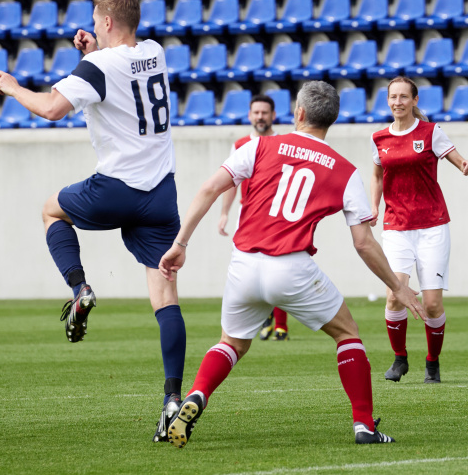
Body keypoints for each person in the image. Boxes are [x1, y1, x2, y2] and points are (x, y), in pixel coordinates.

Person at [158, 81, 426, 448]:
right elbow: (363, 242)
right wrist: (398, 287)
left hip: (244, 264)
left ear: (298, 112)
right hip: (292, 267)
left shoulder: (258, 144)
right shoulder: (345, 170)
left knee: (231, 343)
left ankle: (197, 395)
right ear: (331, 119)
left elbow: (208, 188)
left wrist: (180, 244)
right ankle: (364, 425)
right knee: (347, 334)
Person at [0, 0, 188, 441]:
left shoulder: (97, 66)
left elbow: (50, 109)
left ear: (103, 22)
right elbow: (120, 68)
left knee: (51, 211)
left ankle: (80, 287)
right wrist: (94, 51)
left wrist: (12, 87)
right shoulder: (154, 52)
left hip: (116, 187)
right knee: (166, 295)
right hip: (161, 192)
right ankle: (172, 398)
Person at [370, 76, 468, 384]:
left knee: (432, 304)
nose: (398, 102)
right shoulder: (379, 138)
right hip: (396, 227)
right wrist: (374, 207)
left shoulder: (431, 132)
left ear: (415, 101)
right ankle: (400, 359)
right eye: (393, 97)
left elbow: (459, 161)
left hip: (432, 226)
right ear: (388, 100)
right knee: (394, 295)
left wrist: (467, 166)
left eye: (404, 96)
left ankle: (432, 362)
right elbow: (377, 177)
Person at [217, 95, 289, 342]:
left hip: (277, 215)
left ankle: (281, 325)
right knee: (248, 267)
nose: (260, 117)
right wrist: (225, 213)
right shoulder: (239, 145)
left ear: (273, 115)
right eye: (256, 112)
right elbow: (229, 181)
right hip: (247, 215)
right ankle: (262, 320)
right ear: (250, 116)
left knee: (280, 266)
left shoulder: (284, 143)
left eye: (264, 112)